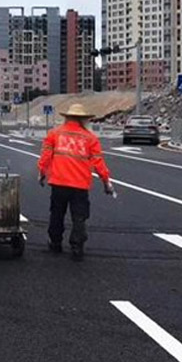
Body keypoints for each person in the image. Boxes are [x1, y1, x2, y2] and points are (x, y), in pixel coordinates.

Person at [38, 104, 114, 261]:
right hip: (80, 185)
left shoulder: (54, 134)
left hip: (58, 183)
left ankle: (55, 243)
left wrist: (42, 173)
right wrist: (106, 182)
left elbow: (45, 156)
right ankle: (77, 246)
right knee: (79, 217)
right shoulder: (90, 138)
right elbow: (99, 162)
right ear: (83, 120)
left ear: (66, 117)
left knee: (56, 214)